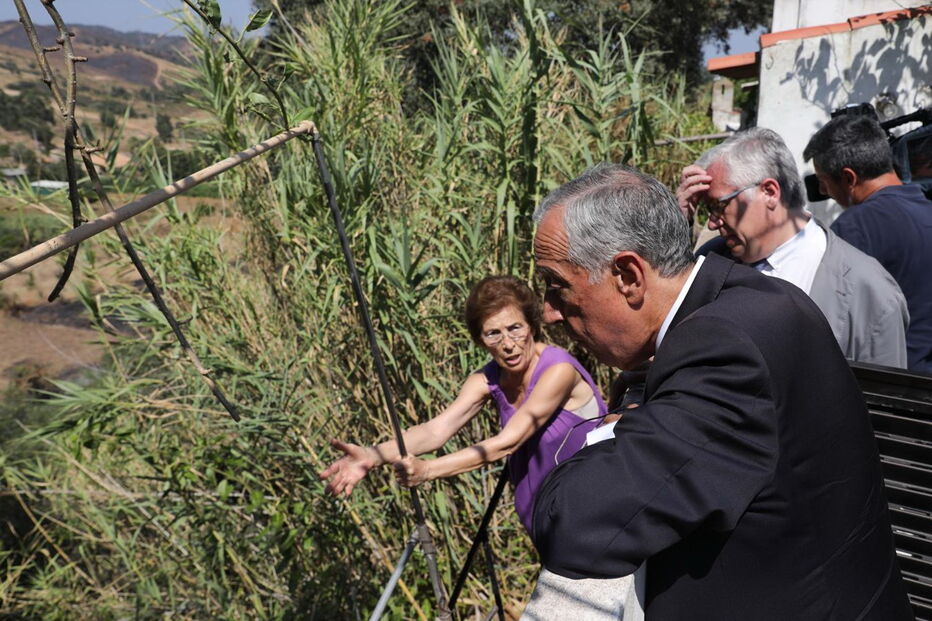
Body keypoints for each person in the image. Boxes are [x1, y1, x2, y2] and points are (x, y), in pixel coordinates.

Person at [531, 162, 912, 619]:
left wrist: (609, 433)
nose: (549, 312)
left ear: (629, 276)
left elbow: (571, 528)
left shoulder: (724, 354)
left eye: (556, 286)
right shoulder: (760, 296)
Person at [319, 275, 640, 619]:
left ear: (532, 326)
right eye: (493, 334)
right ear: (480, 340)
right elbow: (435, 430)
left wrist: (428, 470)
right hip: (547, 524)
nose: (508, 344)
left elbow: (508, 441)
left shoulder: (558, 369)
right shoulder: (488, 380)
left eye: (515, 328)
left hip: (595, 515)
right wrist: (371, 456)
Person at [676, 127, 909, 368]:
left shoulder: (869, 290)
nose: (712, 223)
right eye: (708, 209)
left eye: (718, 206)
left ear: (769, 192)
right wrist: (676, 223)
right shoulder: (709, 261)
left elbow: (880, 390)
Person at [804, 114, 932, 373]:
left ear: (848, 178)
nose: (824, 192)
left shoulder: (855, 227)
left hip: (892, 383)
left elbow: (830, 320)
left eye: (824, 182)